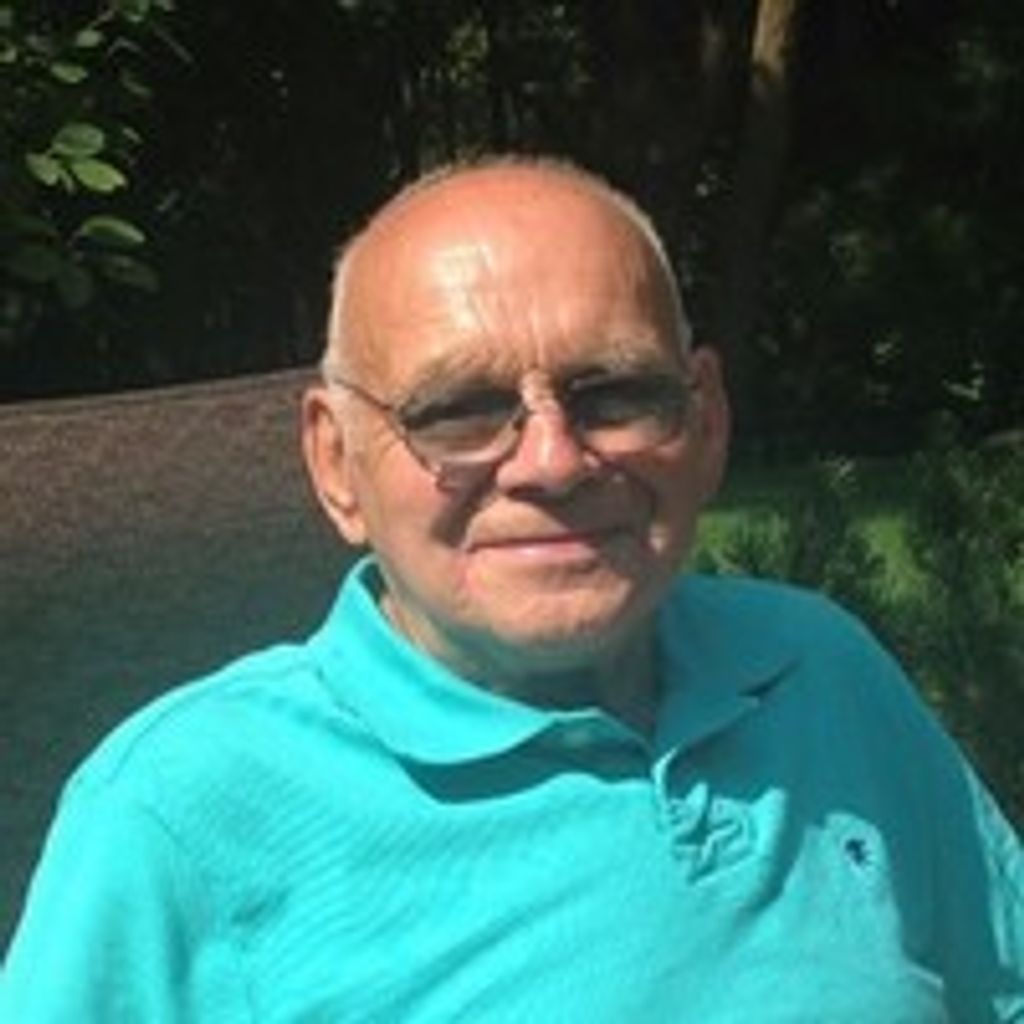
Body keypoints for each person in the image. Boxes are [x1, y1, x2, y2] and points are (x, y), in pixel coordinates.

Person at [2, 156, 1021, 1022]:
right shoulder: (183, 810)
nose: (553, 461)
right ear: (335, 463)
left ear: (705, 419)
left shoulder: (817, 669)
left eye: (614, 393)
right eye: (459, 411)